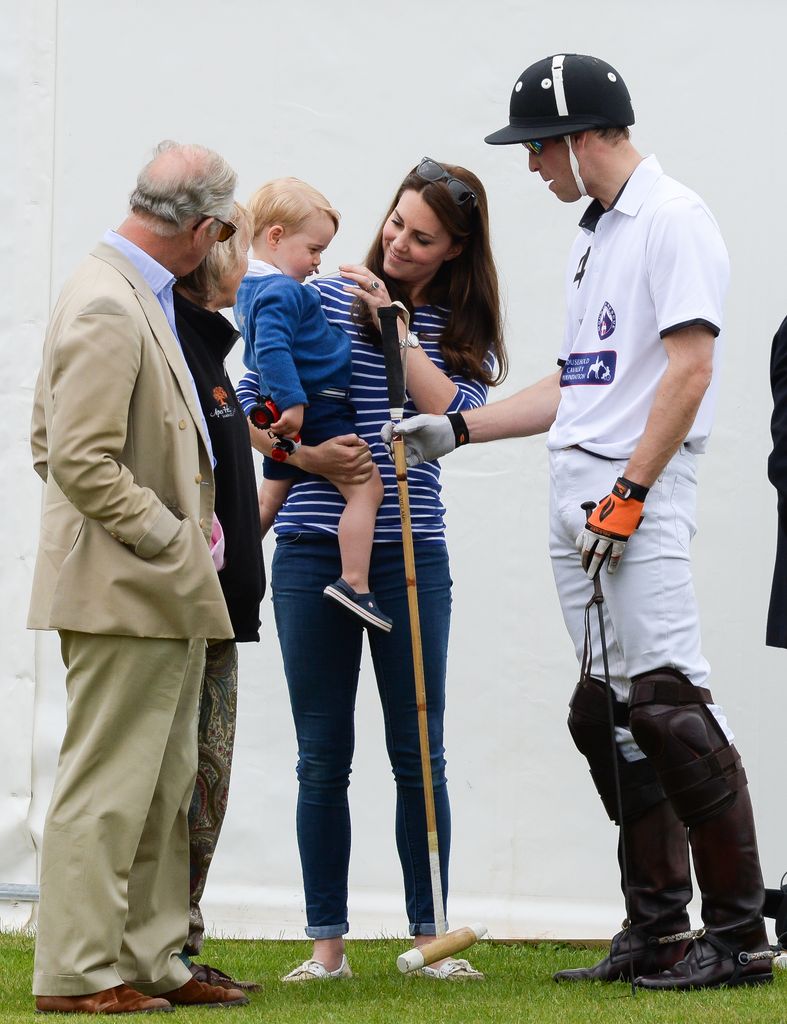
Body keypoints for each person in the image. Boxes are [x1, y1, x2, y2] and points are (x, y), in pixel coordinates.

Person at [386, 55, 774, 990]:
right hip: (578, 492)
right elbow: (578, 384)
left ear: (575, 137)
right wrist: (460, 427)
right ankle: (658, 929)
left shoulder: (672, 219)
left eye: (534, 149)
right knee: (606, 712)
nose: (530, 168)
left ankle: (738, 935)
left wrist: (632, 489)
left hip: (632, 493)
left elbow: (689, 368)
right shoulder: (593, 236)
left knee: (671, 706)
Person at [236, 157, 506, 981]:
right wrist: (308, 453)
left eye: (422, 239)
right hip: (313, 552)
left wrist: (393, 326)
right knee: (321, 755)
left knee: (418, 752)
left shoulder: (454, 332)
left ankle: (429, 936)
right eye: (395, 224)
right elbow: (249, 402)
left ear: (455, 251)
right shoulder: (314, 292)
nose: (398, 244)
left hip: (411, 550)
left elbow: (454, 416)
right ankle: (328, 949)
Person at [28, 142, 250, 1013]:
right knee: (109, 788)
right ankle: (79, 975)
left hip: (159, 588)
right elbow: (72, 457)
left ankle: (150, 960)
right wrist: (172, 534)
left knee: (161, 787)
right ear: (203, 228)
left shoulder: (132, 295)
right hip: (127, 588)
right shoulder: (107, 303)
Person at [172, 202, 266, 991]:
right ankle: (165, 948)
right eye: (242, 245)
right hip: (185, 608)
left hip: (222, 610)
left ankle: (180, 943)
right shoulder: (175, 340)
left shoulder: (210, 350)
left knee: (209, 780)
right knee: (179, 783)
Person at [237, 178, 390, 632]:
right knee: (367, 490)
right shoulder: (284, 291)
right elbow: (273, 349)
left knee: (271, 497)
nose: (318, 262)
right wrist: (294, 403)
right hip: (317, 407)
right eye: (314, 249)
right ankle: (354, 581)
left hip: (293, 405)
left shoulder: (246, 287)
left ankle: (226, 560)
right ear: (276, 237)